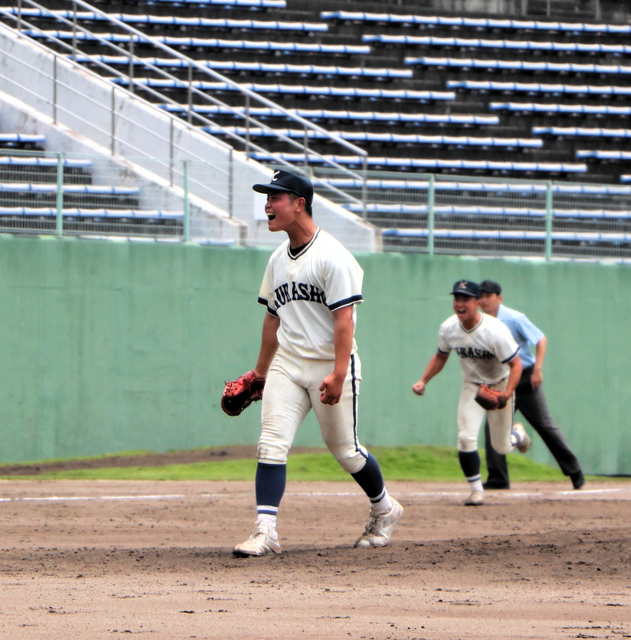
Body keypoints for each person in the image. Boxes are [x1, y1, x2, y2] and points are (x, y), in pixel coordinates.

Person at [233, 170, 403, 557]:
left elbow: (344, 321)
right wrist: (260, 372)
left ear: (299, 203)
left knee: (347, 452)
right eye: (267, 197)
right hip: (288, 364)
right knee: (271, 445)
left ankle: (385, 508)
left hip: (330, 367)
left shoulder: (334, 257)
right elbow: (272, 318)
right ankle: (266, 531)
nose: (267, 204)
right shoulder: (278, 259)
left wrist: (340, 373)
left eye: (276, 197)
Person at [412, 279, 531, 506]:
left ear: (477, 302)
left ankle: (517, 435)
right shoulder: (449, 328)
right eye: (456, 298)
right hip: (472, 386)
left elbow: (516, 365)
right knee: (466, 438)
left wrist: (505, 395)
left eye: (465, 298)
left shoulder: (494, 330)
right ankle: (476, 491)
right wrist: (423, 380)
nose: (459, 303)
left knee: (501, 446)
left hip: (499, 385)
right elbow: (440, 356)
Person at [479, 280, 585, 491]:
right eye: (481, 296)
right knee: (493, 428)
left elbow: (540, 339)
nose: (484, 300)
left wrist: (538, 369)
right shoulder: (480, 323)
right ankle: (498, 478)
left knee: (545, 425)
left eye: (488, 295)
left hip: (526, 379)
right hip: (500, 381)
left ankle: (575, 472)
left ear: (499, 298)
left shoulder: (514, 318)